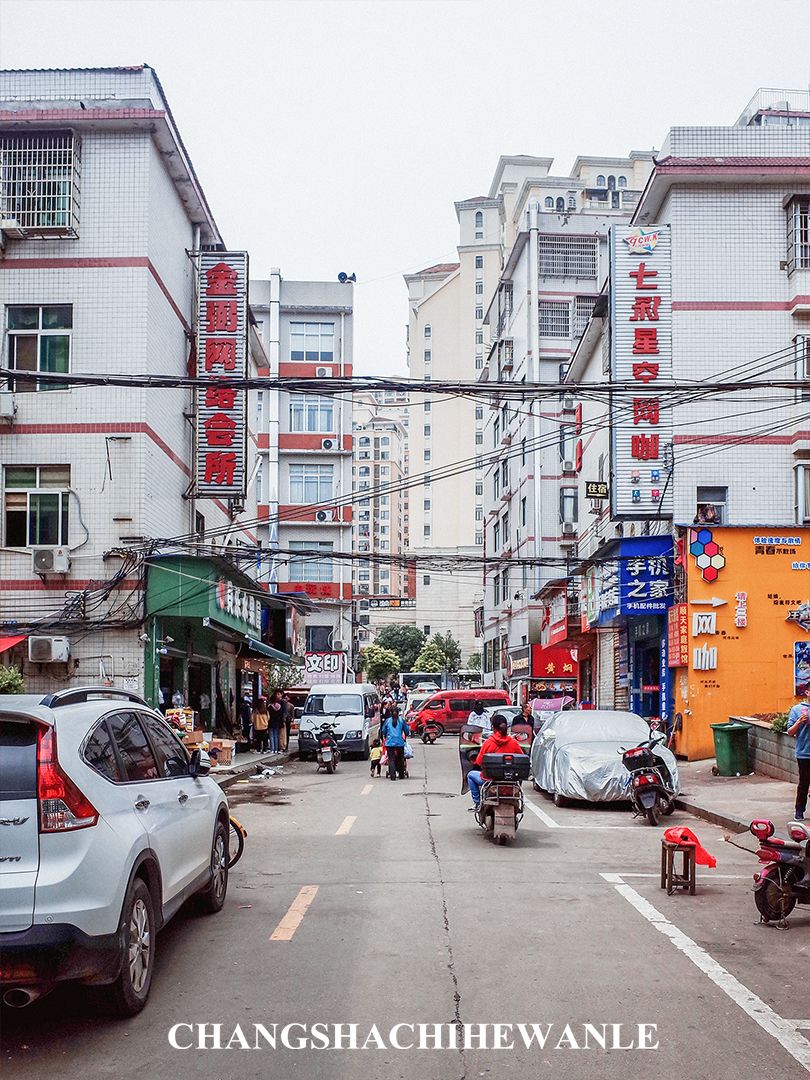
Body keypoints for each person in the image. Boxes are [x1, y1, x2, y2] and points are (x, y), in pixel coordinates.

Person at [467, 715, 526, 811]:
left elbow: (478, 762)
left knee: (470, 775)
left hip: (489, 780)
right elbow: (522, 759)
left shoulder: (488, 743)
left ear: (493, 727)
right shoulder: (513, 743)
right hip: (510, 779)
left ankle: (477, 803)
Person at [787, 690, 810, 820]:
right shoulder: (797, 710)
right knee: (804, 783)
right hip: (804, 753)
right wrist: (799, 722)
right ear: (807, 692)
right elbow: (790, 732)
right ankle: (799, 811)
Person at [381, 706, 409, 780]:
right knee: (400, 758)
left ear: (390, 712)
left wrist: (385, 735)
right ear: (398, 712)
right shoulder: (401, 721)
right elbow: (407, 731)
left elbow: (383, 731)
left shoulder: (387, 721)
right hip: (400, 742)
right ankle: (401, 775)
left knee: (391, 759)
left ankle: (392, 775)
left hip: (389, 743)